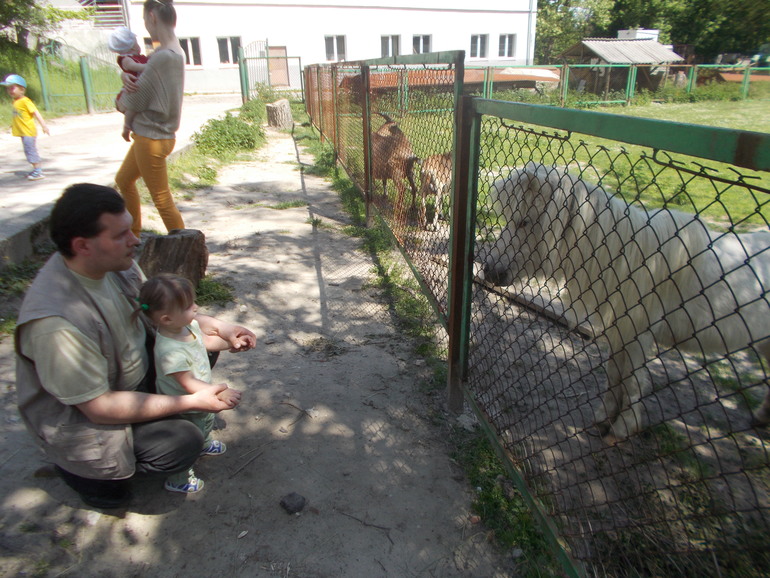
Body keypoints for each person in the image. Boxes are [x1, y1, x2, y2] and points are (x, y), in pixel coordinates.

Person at [15, 183, 256, 508]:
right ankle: (93, 476)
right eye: (121, 235)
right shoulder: (56, 324)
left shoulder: (113, 263)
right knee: (181, 442)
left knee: (198, 347)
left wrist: (222, 329)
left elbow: (164, 314)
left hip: (132, 379)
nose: (135, 240)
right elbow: (99, 407)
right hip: (93, 415)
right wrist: (189, 402)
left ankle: (154, 427)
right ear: (82, 245)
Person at [136, 274, 244, 493]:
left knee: (205, 421)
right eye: (188, 306)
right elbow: (187, 383)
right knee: (190, 433)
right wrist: (219, 392)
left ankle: (204, 443)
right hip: (186, 402)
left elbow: (206, 342)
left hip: (200, 393)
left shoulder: (188, 326)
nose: (195, 307)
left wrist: (232, 342)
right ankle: (179, 479)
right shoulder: (170, 351)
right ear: (167, 319)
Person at [114, 0, 185, 238]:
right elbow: (147, 83)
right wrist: (127, 78)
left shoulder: (162, 57)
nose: (145, 24)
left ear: (152, 17)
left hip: (152, 137)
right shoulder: (174, 51)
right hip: (153, 135)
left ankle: (187, 247)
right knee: (123, 180)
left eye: (145, 19)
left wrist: (120, 97)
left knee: (162, 199)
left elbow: (132, 101)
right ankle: (133, 235)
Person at [1, 73, 50, 181]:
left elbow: (35, 112)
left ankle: (38, 171)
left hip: (28, 132)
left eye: (12, 88)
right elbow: (19, 116)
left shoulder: (25, 101)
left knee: (30, 151)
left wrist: (44, 125)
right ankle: (35, 169)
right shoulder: (16, 101)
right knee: (28, 151)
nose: (9, 91)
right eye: (8, 88)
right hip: (23, 132)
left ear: (22, 89)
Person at [107, 26, 149, 142]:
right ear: (133, 46)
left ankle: (133, 128)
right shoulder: (126, 59)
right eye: (137, 43)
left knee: (136, 109)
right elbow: (135, 67)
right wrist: (151, 66)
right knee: (132, 109)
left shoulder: (140, 57)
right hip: (130, 92)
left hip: (137, 90)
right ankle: (126, 127)